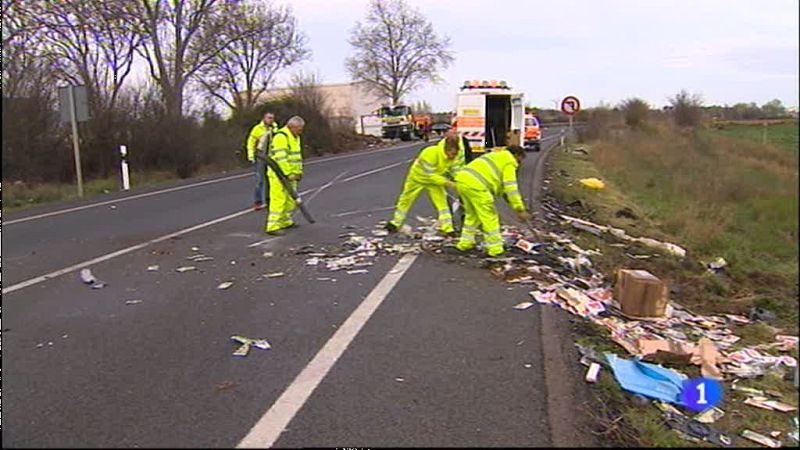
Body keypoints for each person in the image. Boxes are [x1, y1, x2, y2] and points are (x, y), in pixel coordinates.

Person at [454, 145, 531, 257]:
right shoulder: (509, 162)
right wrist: (520, 209)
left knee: (472, 215)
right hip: (477, 186)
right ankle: (495, 249)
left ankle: (465, 243)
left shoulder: (496, 155)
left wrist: (511, 202)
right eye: (520, 159)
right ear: (516, 155)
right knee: (490, 216)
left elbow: (501, 187)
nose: (519, 163)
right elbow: (511, 188)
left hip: (462, 181)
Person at [385, 135, 463, 236]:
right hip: (418, 178)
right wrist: (448, 183)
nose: (452, 157)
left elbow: (455, 170)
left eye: (455, 154)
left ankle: (448, 228)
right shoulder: (429, 153)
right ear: (446, 149)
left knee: (442, 204)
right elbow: (428, 175)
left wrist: (460, 181)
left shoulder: (454, 156)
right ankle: (395, 223)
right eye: (451, 154)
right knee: (406, 200)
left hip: (435, 181)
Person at [265, 116, 305, 235]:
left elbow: (296, 157)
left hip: (292, 174)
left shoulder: (295, 137)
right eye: (299, 129)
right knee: (279, 199)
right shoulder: (281, 137)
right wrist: (288, 174)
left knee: (290, 199)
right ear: (291, 127)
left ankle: (285, 221)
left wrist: (298, 172)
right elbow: (281, 158)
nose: (300, 131)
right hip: (279, 174)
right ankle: (272, 226)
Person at [246, 111, 279, 210]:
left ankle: (269, 200)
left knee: (271, 180)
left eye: (272, 118)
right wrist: (251, 155)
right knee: (259, 180)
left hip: (271, 157)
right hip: (260, 157)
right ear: (264, 118)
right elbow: (251, 142)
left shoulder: (275, 128)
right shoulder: (257, 129)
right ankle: (258, 201)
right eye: (269, 118)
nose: (271, 120)